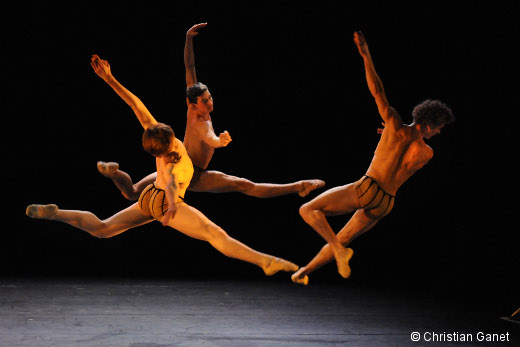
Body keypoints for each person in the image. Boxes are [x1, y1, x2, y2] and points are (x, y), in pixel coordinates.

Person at [26, 56, 299, 277]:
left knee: (104, 228)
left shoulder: (155, 138)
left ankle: (57, 213)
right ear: (169, 138)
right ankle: (265, 261)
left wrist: (109, 79)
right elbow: (169, 184)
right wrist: (169, 212)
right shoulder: (174, 156)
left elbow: (135, 104)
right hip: (165, 202)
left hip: (148, 199)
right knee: (215, 235)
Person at [291, 31, 455, 285]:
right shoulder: (427, 152)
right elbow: (405, 161)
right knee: (344, 237)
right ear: (428, 124)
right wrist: (388, 136)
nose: (439, 131)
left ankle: (337, 249)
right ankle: (304, 272)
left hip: (369, 188)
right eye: (439, 127)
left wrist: (366, 55)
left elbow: (377, 91)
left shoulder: (396, 128)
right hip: (386, 203)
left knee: (308, 209)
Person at [97, 23, 325, 201]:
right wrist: (221, 141)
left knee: (133, 192)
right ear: (193, 104)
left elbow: (189, 68)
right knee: (244, 185)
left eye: (210, 98)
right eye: (205, 101)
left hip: (176, 160)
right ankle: (299, 186)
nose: (210, 102)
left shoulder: (193, 108)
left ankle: (113, 173)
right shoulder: (200, 122)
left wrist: (188, 40)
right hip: (193, 173)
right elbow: (210, 139)